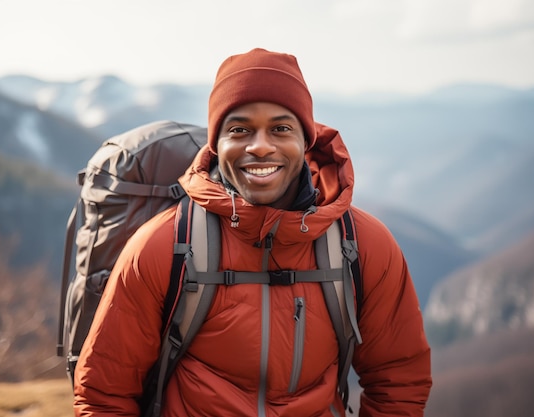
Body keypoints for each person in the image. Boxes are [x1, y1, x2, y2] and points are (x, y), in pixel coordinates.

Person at [73, 48, 432, 416]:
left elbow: (398, 380)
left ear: (305, 141)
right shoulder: (162, 247)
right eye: (239, 129)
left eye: (281, 128)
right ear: (217, 145)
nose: (260, 146)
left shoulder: (362, 245)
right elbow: (104, 395)